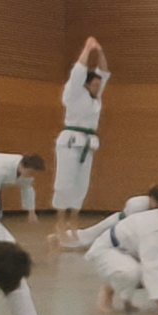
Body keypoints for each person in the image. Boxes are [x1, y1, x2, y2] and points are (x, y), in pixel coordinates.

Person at [53, 37, 109, 234]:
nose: (97, 87)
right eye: (94, 84)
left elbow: (104, 71)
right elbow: (78, 72)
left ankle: (74, 220)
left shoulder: (96, 97)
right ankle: (60, 220)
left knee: (81, 183)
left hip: (88, 142)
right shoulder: (74, 92)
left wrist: (100, 52)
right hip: (70, 141)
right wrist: (87, 49)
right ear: (86, 84)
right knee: (64, 181)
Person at [53, 185, 158, 251]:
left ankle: (64, 238)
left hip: (120, 223)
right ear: (152, 199)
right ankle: (61, 238)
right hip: (117, 222)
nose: (155, 207)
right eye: (156, 203)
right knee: (92, 234)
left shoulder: (148, 206)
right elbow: (132, 222)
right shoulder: (138, 203)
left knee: (93, 235)